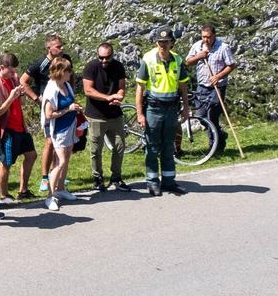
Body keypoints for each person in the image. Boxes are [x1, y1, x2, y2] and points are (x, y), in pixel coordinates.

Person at [138, 29, 190, 196]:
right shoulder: (148, 59)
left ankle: (169, 181)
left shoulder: (178, 59)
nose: (163, 45)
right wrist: (140, 114)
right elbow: (140, 88)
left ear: (171, 43)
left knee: (169, 146)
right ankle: (152, 182)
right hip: (154, 108)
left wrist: (186, 108)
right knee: (152, 147)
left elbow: (183, 85)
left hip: (172, 108)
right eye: (160, 42)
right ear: (156, 43)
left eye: (166, 42)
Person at [81, 40, 130, 192]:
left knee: (119, 146)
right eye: (101, 57)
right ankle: (97, 178)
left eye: (107, 57)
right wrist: (107, 97)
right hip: (96, 115)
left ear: (112, 55)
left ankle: (116, 177)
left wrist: (119, 96)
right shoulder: (91, 67)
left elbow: (121, 88)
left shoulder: (118, 66)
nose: (103, 61)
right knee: (96, 148)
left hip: (115, 115)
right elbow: (88, 90)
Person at [24, 33, 69, 195]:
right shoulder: (41, 64)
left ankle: (56, 173)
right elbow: (23, 81)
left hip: (63, 105)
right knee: (50, 141)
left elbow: (70, 78)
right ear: (49, 48)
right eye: (58, 46)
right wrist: (37, 98)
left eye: (62, 45)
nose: (61, 48)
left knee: (62, 141)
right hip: (49, 107)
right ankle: (45, 178)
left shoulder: (65, 59)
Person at [0, 52, 35, 203]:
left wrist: (20, 92)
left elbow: (21, 103)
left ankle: (23, 190)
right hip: (8, 128)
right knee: (6, 163)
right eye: (10, 71)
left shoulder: (13, 79)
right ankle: (4, 195)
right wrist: (11, 97)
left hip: (20, 126)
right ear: (2, 68)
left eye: (15, 71)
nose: (13, 74)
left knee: (31, 155)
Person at [40, 55, 82, 209]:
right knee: (60, 161)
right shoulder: (52, 89)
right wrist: (67, 110)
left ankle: (61, 189)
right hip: (59, 129)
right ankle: (50, 196)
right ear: (60, 71)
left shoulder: (66, 85)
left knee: (66, 158)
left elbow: (70, 103)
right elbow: (49, 114)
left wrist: (75, 108)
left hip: (70, 125)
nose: (71, 73)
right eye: (68, 70)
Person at [186, 24, 235, 155]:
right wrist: (199, 56)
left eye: (208, 37)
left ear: (214, 35)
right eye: (203, 37)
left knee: (212, 115)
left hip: (217, 87)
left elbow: (231, 65)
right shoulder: (197, 46)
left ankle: (214, 146)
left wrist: (218, 76)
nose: (205, 40)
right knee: (201, 116)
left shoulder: (223, 47)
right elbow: (188, 62)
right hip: (201, 86)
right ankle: (221, 134)